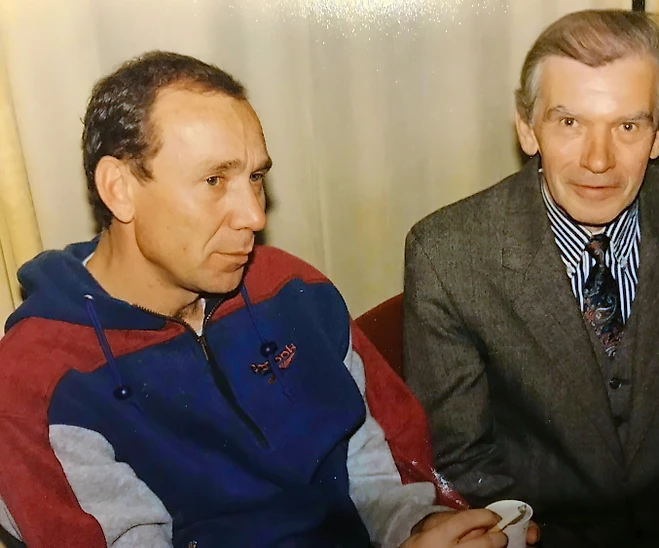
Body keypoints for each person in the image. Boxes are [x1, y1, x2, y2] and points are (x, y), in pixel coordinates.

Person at [0, 51, 512, 548]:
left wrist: (418, 528)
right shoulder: (38, 382)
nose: (254, 216)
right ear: (119, 188)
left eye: (256, 178)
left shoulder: (290, 289)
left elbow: (375, 470)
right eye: (214, 180)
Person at [403, 9, 659, 548]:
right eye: (570, 123)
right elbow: (461, 459)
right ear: (527, 129)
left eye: (627, 126)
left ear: (657, 137)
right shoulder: (446, 254)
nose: (598, 160)